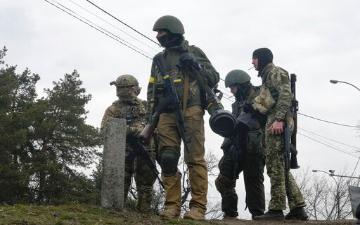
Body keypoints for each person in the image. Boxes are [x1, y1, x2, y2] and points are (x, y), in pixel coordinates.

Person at [146, 15, 220, 220]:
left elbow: (213, 78)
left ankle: (198, 207)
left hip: (191, 110)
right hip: (165, 115)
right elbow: (151, 89)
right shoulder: (158, 59)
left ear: (173, 31)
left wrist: (196, 65)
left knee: (194, 159)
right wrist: (150, 117)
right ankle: (172, 206)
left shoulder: (194, 52)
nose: (158, 36)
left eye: (161, 32)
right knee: (168, 158)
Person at [250, 48, 308, 221]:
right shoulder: (268, 76)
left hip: (278, 122)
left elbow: (285, 96)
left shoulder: (276, 72)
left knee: (274, 165)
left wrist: (279, 119)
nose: (252, 63)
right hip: (275, 120)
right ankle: (297, 207)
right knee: (279, 166)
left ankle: (276, 209)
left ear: (261, 59)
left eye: (254, 59)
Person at [101, 74, 156, 213]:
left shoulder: (145, 106)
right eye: (122, 88)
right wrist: (132, 131)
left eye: (127, 88)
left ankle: (144, 211)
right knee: (120, 180)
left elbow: (156, 125)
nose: (124, 91)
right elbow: (105, 130)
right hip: (122, 150)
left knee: (146, 181)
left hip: (145, 149)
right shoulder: (113, 109)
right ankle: (116, 208)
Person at [215, 69, 265, 220]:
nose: (231, 91)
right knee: (223, 179)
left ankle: (257, 215)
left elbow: (265, 115)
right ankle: (229, 213)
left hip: (254, 145)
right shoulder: (237, 104)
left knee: (253, 180)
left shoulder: (260, 94)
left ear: (241, 85)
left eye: (233, 87)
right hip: (236, 145)